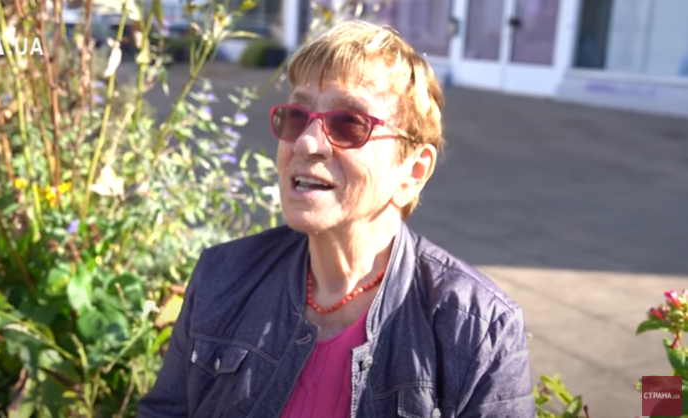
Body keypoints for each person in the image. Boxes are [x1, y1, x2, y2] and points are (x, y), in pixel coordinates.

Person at [136, 20, 535, 418]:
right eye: (297, 117)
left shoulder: (477, 328)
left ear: (413, 172)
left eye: (349, 124)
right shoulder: (222, 276)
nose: (306, 142)